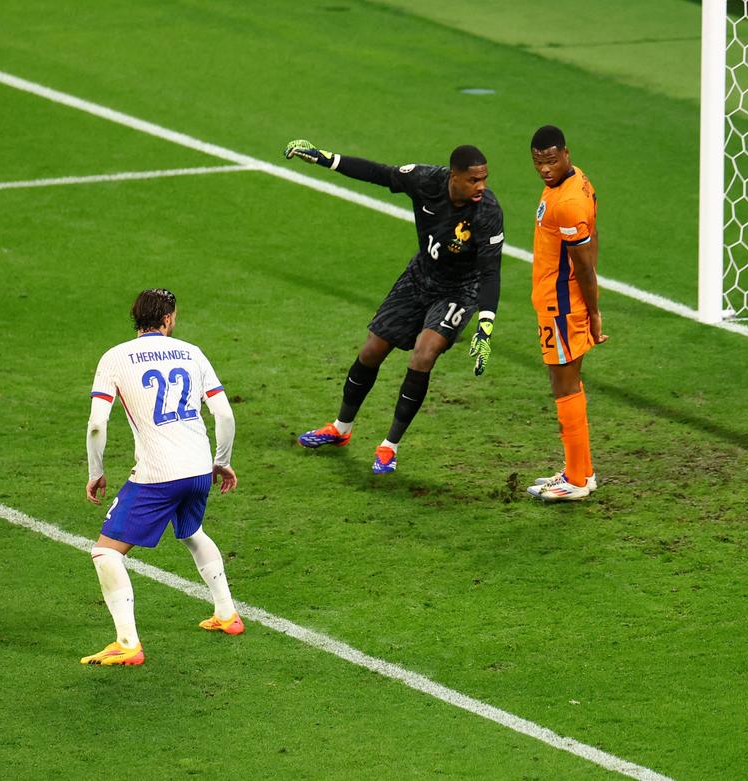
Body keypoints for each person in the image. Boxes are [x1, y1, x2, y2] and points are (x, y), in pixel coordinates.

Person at [284, 140, 505, 474]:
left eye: (484, 179)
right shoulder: (426, 180)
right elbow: (379, 173)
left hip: (459, 291)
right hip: (419, 277)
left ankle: (389, 447)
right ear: (454, 177)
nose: (481, 186)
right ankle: (341, 429)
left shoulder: (487, 212)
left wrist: (485, 324)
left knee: (424, 353)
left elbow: (490, 272)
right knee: (372, 350)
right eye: (474, 180)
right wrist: (327, 159)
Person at [82, 289, 242, 666]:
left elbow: (96, 425)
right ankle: (226, 614)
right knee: (190, 531)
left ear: (135, 318)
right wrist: (222, 461)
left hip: (158, 475)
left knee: (105, 552)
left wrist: (96, 471)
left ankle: (127, 644)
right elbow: (225, 416)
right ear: (168, 319)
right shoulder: (193, 352)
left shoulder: (115, 358)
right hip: (200, 467)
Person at [525, 126, 606, 502]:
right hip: (560, 300)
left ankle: (575, 479)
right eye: (538, 162)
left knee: (564, 383)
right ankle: (582, 471)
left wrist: (593, 310)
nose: (544, 169)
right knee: (571, 380)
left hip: (563, 304)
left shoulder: (567, 202)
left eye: (551, 161)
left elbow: (585, 265)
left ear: (566, 154)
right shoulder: (572, 183)